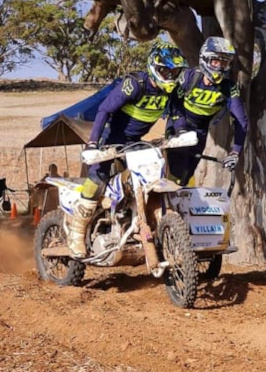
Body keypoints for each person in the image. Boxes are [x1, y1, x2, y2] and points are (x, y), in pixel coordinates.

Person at [67, 42, 188, 259]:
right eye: (165, 70)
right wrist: (94, 142)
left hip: (136, 141)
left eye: (174, 71)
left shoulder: (172, 92)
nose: (169, 75)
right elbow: (104, 109)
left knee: (150, 175)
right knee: (97, 179)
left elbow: (178, 115)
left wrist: (180, 133)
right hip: (111, 139)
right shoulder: (135, 84)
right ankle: (77, 232)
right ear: (153, 67)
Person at [166, 36, 248, 185]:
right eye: (216, 61)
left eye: (224, 63)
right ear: (205, 59)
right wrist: (181, 130)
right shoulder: (189, 76)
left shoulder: (229, 88)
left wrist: (235, 152)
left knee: (185, 176)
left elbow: (241, 120)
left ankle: (176, 204)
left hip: (201, 130)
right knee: (174, 171)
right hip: (179, 123)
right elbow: (174, 105)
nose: (219, 67)